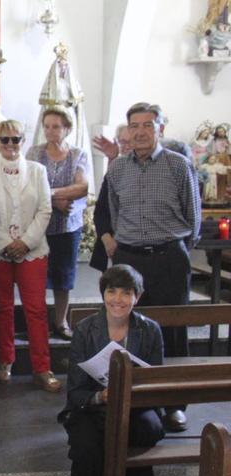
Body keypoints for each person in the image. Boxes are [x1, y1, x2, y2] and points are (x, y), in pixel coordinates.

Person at [104, 102, 200, 432]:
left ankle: (174, 405)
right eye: (135, 125)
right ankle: (137, 400)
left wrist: (173, 250)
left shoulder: (178, 165)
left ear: (160, 129)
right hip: (131, 260)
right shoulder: (117, 168)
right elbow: (115, 214)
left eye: (148, 125)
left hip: (169, 258)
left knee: (173, 329)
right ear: (128, 130)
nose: (141, 131)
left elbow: (193, 218)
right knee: (131, 329)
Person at [61, 264, 164, 476]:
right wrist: (100, 396)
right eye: (111, 291)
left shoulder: (150, 330)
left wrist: (129, 395)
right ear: (103, 294)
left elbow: (157, 383)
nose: (118, 299)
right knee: (88, 445)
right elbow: (75, 391)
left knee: (145, 427)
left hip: (136, 407)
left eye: (126, 292)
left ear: (137, 297)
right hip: (92, 408)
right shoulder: (85, 330)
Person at [0, 120, 61, 393]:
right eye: (4, 140)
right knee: (2, 307)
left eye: (15, 139)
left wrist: (25, 241)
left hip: (32, 249)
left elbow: (45, 209)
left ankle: (42, 367)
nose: (10, 145)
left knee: (35, 310)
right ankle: (5, 360)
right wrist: (4, 242)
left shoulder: (38, 171)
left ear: (23, 141)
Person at [25, 107, 89, 340]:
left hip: (66, 226)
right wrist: (56, 200)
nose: (51, 131)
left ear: (67, 129)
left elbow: (81, 187)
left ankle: (61, 321)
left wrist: (51, 194)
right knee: (37, 277)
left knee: (64, 276)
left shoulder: (78, 155)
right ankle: (37, 322)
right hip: (39, 226)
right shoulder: (34, 152)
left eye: (56, 126)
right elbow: (28, 186)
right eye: (47, 126)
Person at [90, 124, 132, 273]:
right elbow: (102, 209)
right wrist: (106, 238)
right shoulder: (116, 168)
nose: (126, 147)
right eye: (122, 142)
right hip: (112, 241)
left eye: (130, 142)